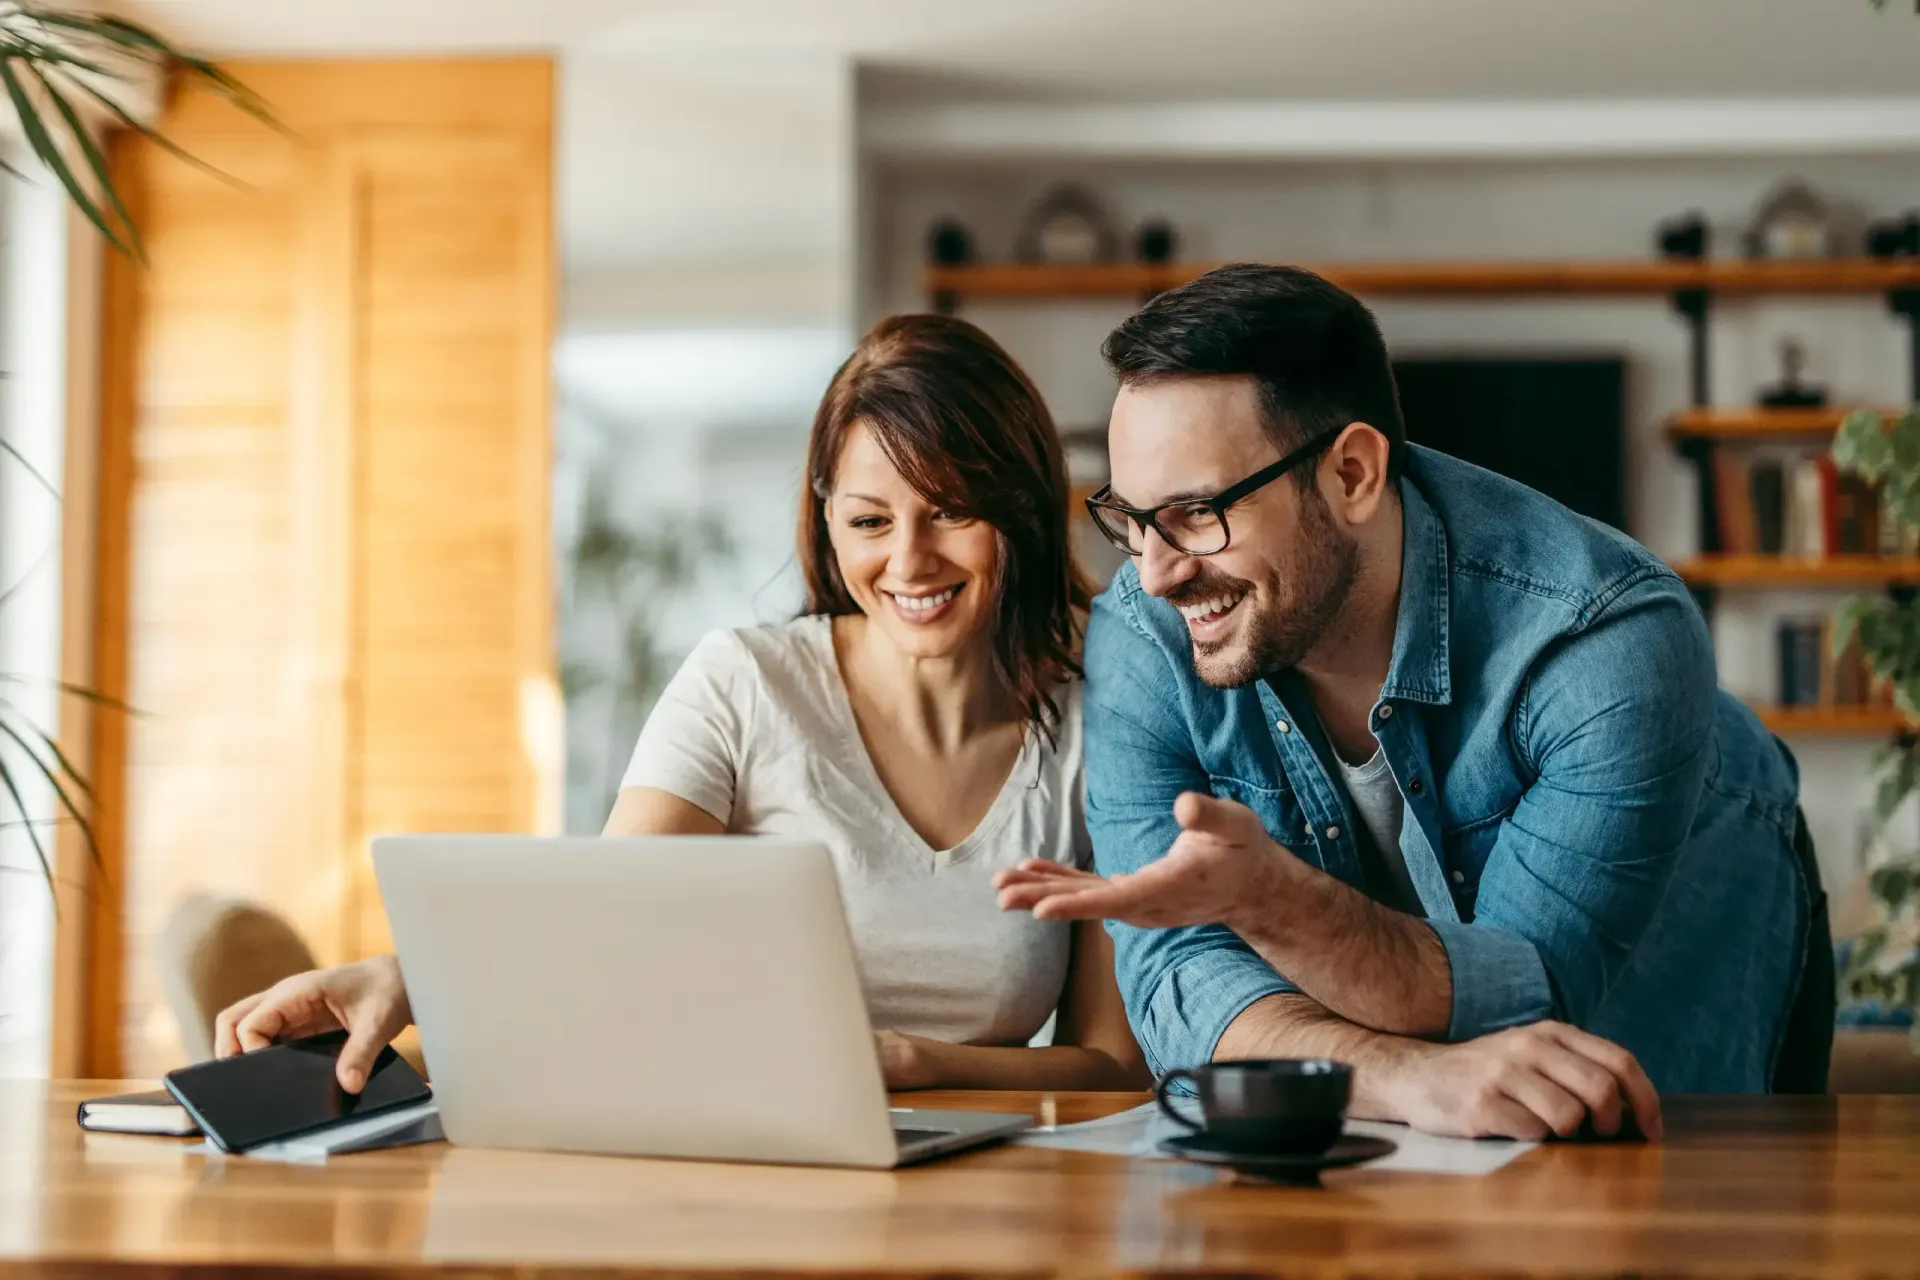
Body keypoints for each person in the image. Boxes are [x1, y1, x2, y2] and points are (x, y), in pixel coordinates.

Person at [997, 264, 1832, 1141]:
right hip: (1416, 981)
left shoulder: (1603, 638)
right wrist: (1402, 1076)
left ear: (1353, 473)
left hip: (1696, 891)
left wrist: (1264, 901)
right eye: (1129, 518)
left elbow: (1528, 990)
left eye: (1199, 513)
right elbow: (1177, 983)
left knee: (1629, 1185)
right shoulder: (1141, 628)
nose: (1156, 572)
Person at [214, 315, 1148, 1095]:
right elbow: (607, 913)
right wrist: (407, 976)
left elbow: (1111, 1066)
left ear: (1023, 509)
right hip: (745, 1161)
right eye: (869, 520)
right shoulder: (746, 684)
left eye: (950, 512)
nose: (907, 561)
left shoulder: (1102, 720)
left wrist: (915, 1065)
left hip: (991, 1196)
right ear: (827, 518)